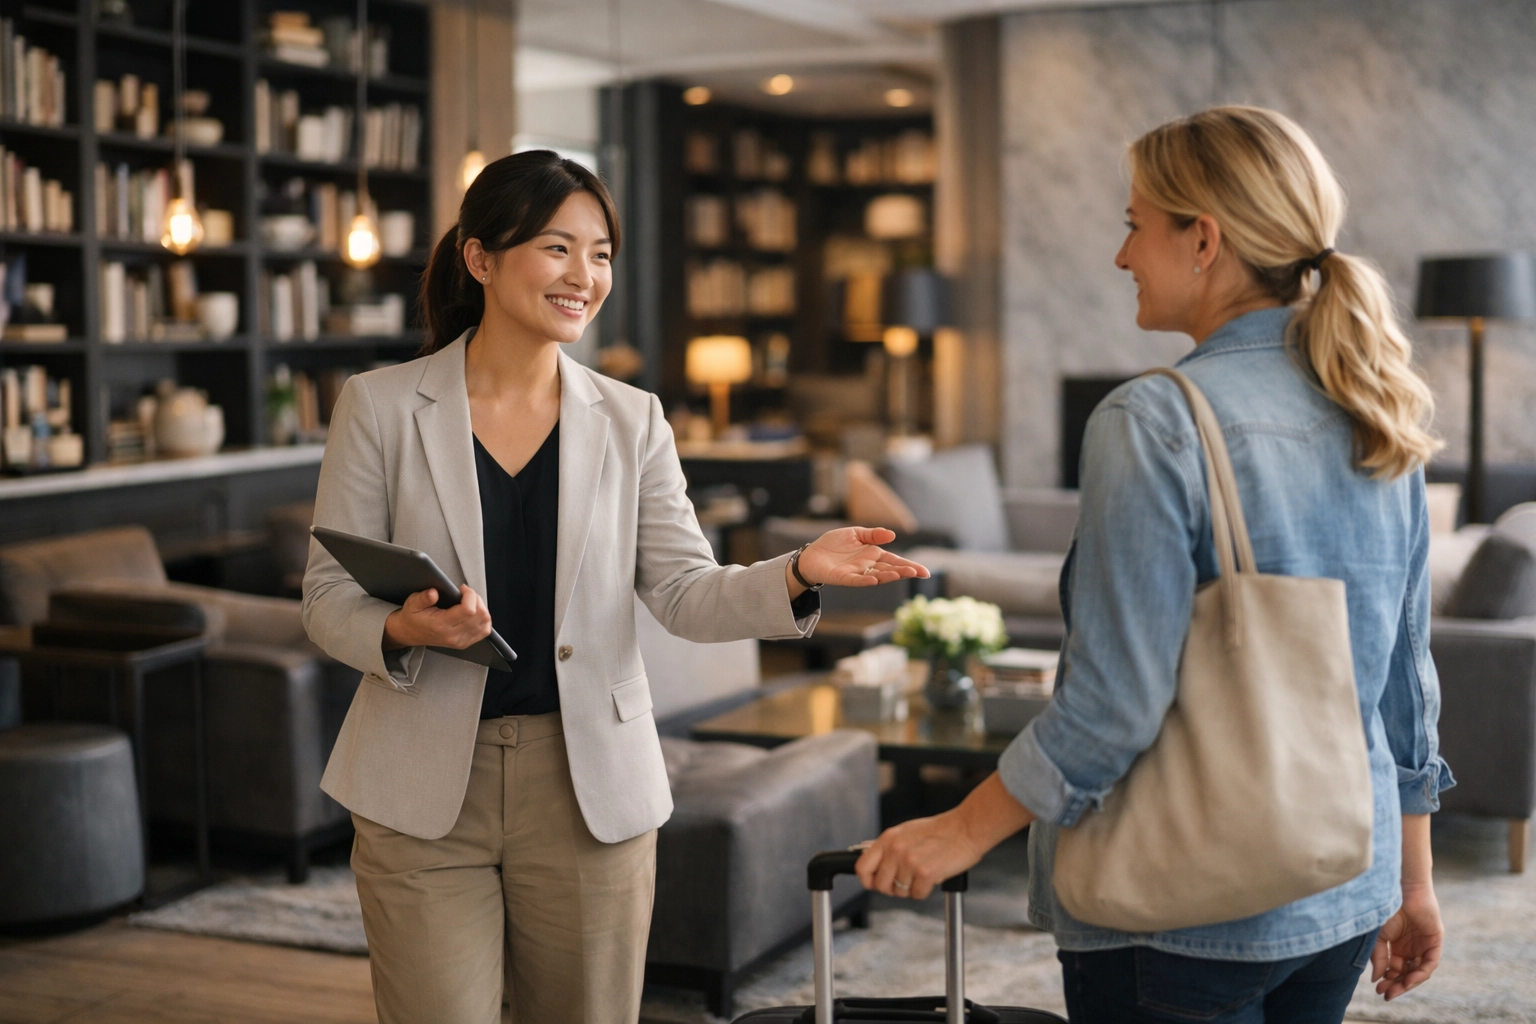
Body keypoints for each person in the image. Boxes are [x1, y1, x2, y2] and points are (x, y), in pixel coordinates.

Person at [854, 106, 1452, 1023]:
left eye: (1135, 224)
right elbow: (1404, 686)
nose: (1123, 254)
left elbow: (1110, 706)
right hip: (1347, 880)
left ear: (1202, 239)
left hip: (1180, 912)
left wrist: (954, 833)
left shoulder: (1153, 418)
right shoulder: (1378, 407)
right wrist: (1415, 880)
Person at [301, 150, 928, 1024]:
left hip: (587, 787)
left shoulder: (634, 420)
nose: (584, 277)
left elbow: (682, 592)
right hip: (419, 789)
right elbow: (328, 598)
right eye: (558, 248)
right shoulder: (379, 406)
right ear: (480, 259)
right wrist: (403, 630)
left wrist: (795, 572)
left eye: (600, 254)